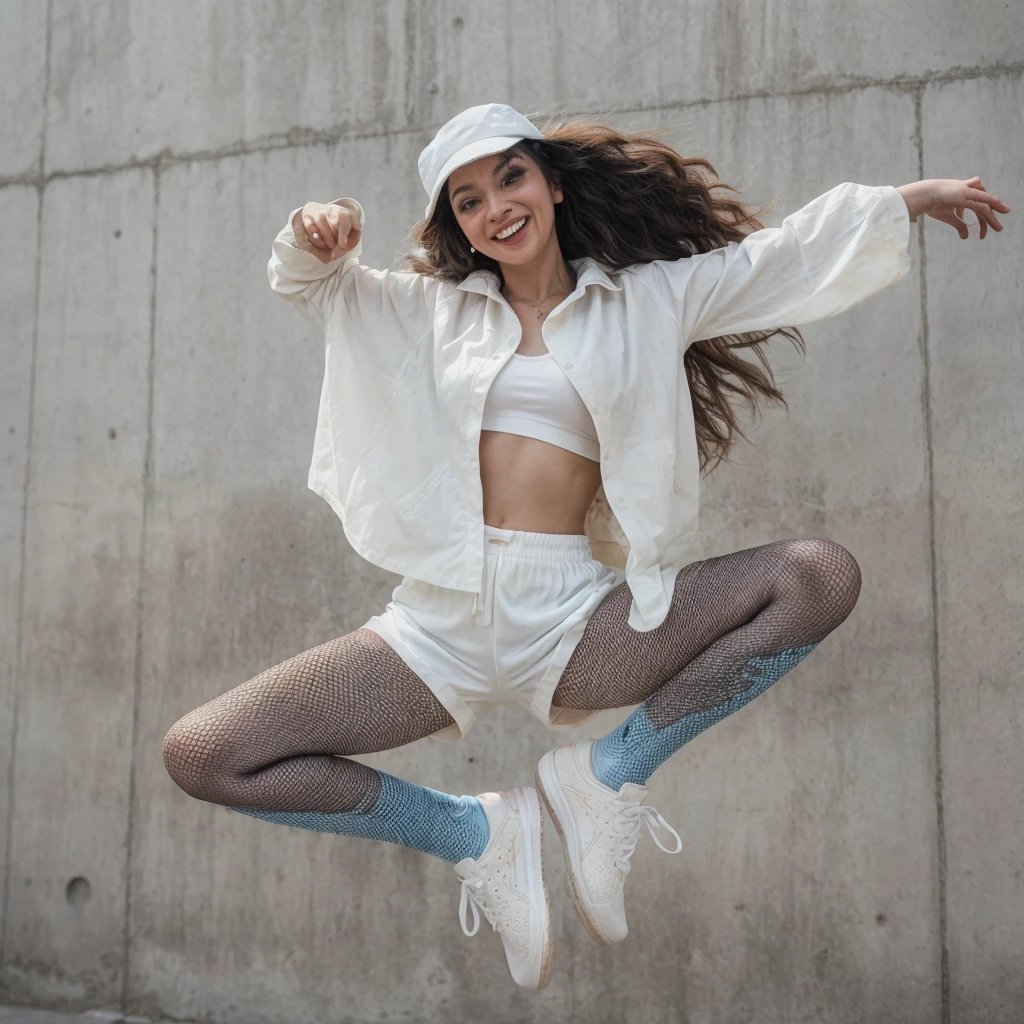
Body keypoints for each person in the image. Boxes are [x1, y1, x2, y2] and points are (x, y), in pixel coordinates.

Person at [161, 102, 1010, 989]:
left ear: (553, 184)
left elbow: (780, 259)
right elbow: (313, 284)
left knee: (817, 576)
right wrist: (314, 232)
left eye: (510, 178)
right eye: (468, 200)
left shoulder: (646, 300)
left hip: (575, 623)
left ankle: (609, 775)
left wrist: (914, 198)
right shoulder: (430, 312)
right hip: (434, 628)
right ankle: (473, 833)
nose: (496, 207)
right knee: (205, 752)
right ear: (460, 227)